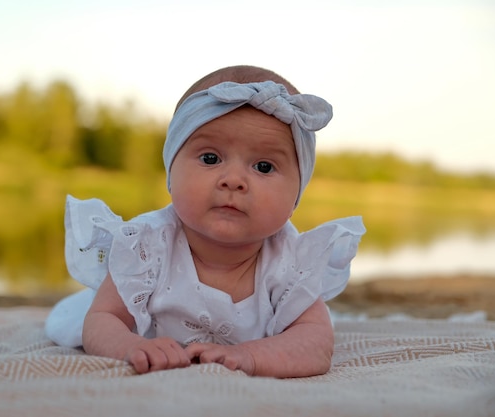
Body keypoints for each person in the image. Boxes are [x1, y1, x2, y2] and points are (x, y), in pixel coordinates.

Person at [45, 65, 365, 378]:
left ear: (296, 195)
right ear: (171, 174)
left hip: (250, 349)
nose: (234, 180)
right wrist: (129, 346)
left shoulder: (292, 262)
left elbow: (316, 344)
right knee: (87, 310)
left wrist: (249, 356)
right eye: (210, 158)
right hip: (148, 334)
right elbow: (104, 317)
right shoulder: (147, 244)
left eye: (264, 167)